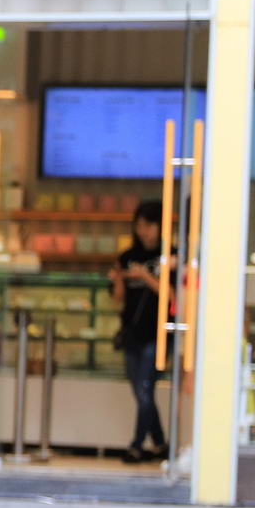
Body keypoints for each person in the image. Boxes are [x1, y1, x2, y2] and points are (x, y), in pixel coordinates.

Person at [111, 199, 170, 464]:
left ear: (161, 227)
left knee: (145, 389)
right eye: (140, 226)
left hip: (157, 334)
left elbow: (172, 296)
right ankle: (158, 443)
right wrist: (119, 280)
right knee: (140, 391)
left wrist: (145, 277)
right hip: (131, 333)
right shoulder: (126, 256)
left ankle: (136, 446)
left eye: (149, 225)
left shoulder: (171, 256)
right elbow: (117, 300)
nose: (144, 231)